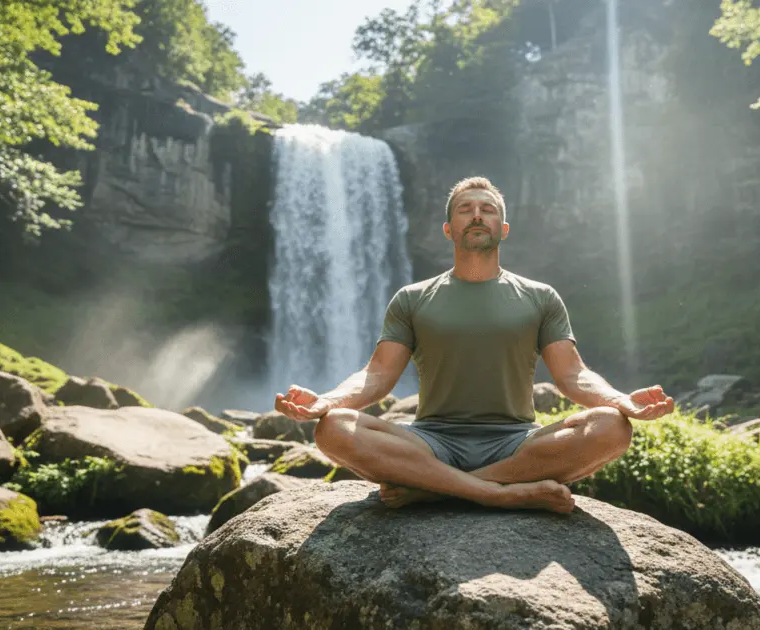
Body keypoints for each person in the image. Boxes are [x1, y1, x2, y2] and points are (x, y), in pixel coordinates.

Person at [274, 176, 674, 513]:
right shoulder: (412, 298)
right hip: (430, 440)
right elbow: (377, 375)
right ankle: (496, 494)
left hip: (516, 441)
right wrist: (325, 402)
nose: (478, 214)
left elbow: (573, 374)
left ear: (503, 228)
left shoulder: (540, 297)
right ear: (449, 229)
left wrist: (622, 400)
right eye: (465, 209)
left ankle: (432, 489)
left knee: (612, 428)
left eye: (489, 209)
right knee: (332, 429)